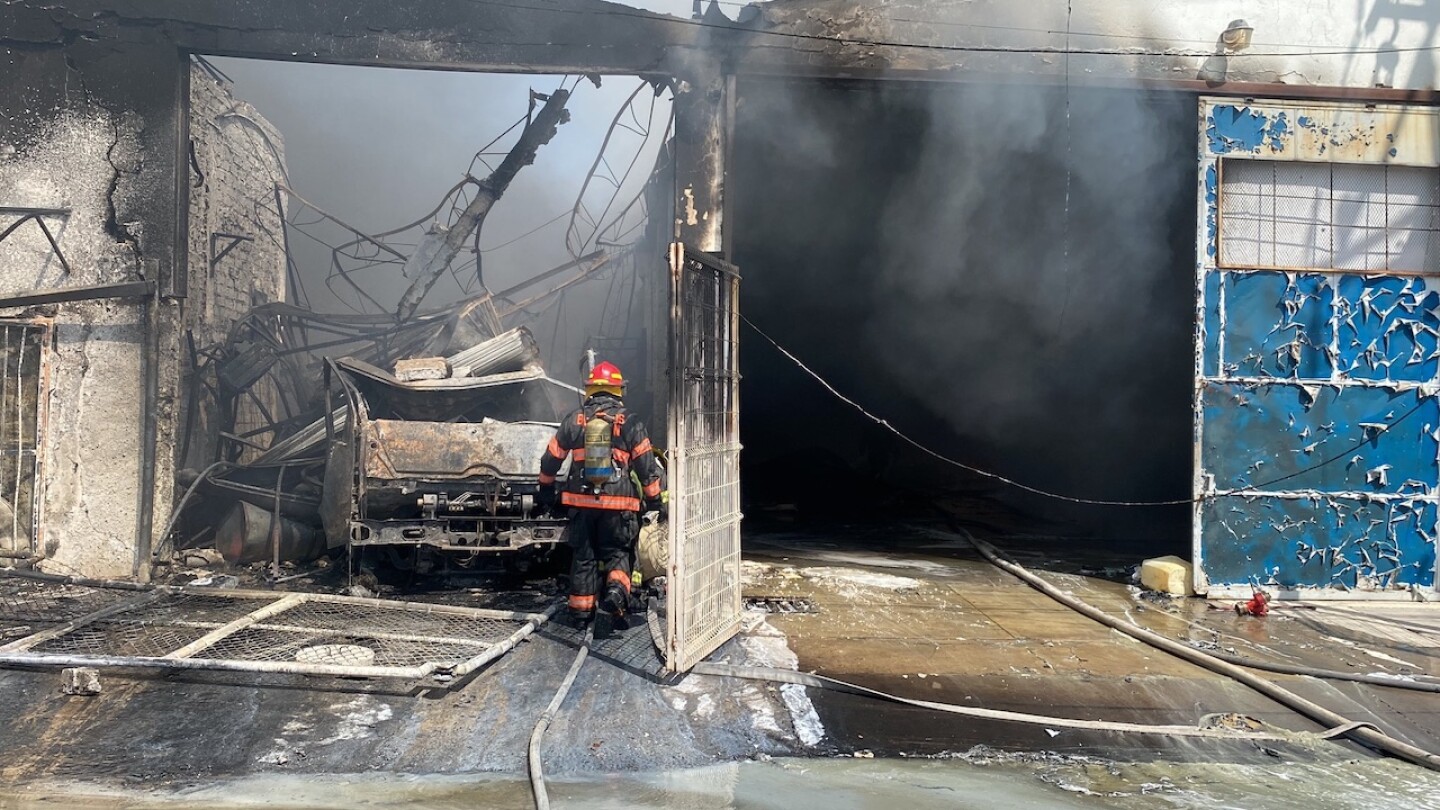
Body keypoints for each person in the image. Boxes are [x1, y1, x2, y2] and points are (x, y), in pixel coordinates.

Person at [538, 361, 666, 628]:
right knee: (619, 553)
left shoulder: (575, 420)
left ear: (590, 390)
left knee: (584, 557)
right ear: (618, 390)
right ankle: (617, 595)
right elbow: (646, 467)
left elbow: (550, 459)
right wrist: (655, 501)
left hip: (581, 505)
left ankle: (581, 615)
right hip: (620, 506)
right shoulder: (630, 422)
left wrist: (546, 490)